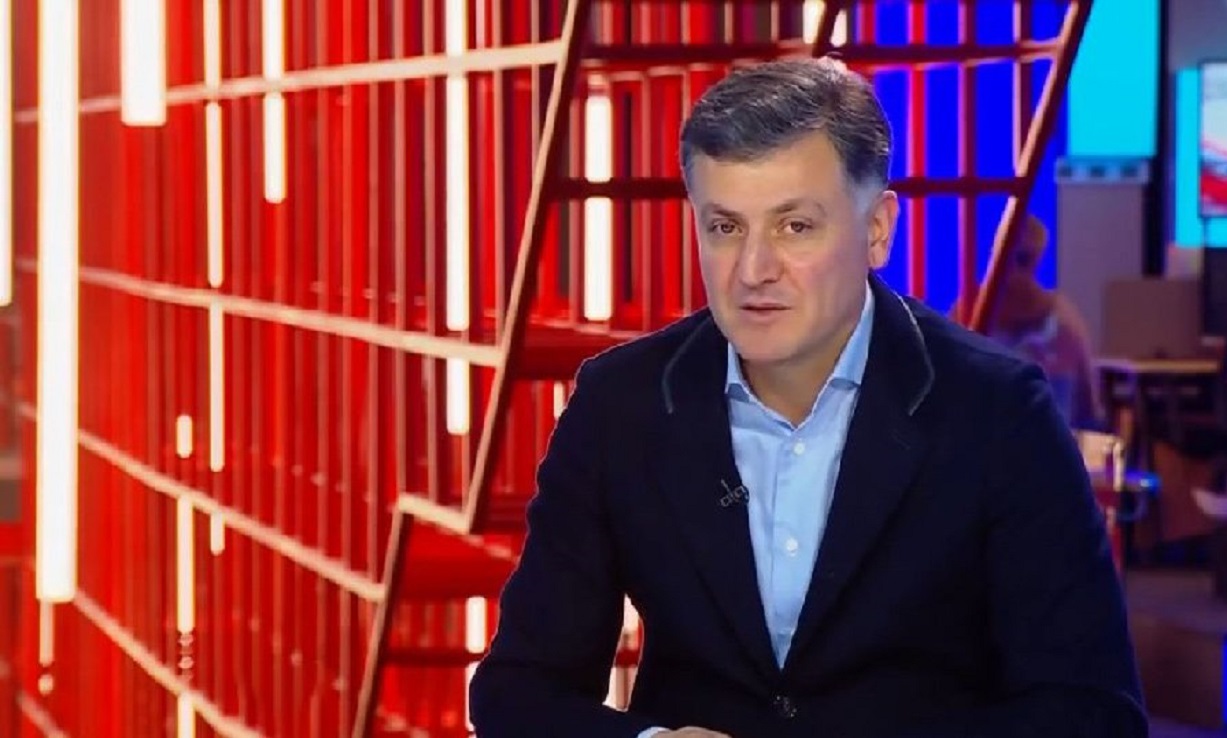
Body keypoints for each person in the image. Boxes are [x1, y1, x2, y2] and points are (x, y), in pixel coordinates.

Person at [469, 58, 1146, 737]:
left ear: (877, 230)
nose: (753, 270)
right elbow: (517, 692)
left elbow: (1092, 714)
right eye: (725, 227)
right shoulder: (620, 405)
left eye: (794, 226)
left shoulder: (996, 412)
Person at [953, 215, 1102, 429]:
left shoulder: (1063, 323)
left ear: (1037, 260)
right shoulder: (968, 312)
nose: (1013, 273)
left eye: (1022, 260)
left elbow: (1086, 411)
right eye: (1006, 258)